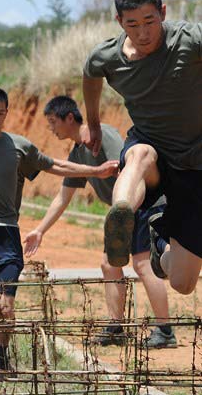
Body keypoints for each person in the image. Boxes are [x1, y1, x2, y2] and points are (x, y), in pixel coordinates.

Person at [0, 88, 119, 374]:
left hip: (6, 236)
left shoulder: (19, 147)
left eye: (1, 114)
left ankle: (1, 356)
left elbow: (56, 165)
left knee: (5, 307)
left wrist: (96, 171)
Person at [25, 96, 175, 348]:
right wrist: (40, 230)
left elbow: (128, 165)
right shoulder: (77, 152)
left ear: (69, 118)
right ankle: (116, 326)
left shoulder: (104, 134)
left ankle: (165, 331)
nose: (51, 128)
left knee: (142, 265)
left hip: (141, 203)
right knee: (109, 264)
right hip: (121, 213)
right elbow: (63, 198)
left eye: (53, 122)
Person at [83, 0, 202, 295]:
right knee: (139, 155)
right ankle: (121, 214)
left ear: (162, 12)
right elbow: (91, 74)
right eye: (133, 24)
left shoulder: (189, 39)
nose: (143, 32)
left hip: (194, 165)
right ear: (119, 21)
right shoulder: (107, 56)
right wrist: (93, 123)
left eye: (150, 21)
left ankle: (159, 245)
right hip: (151, 149)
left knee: (183, 282)